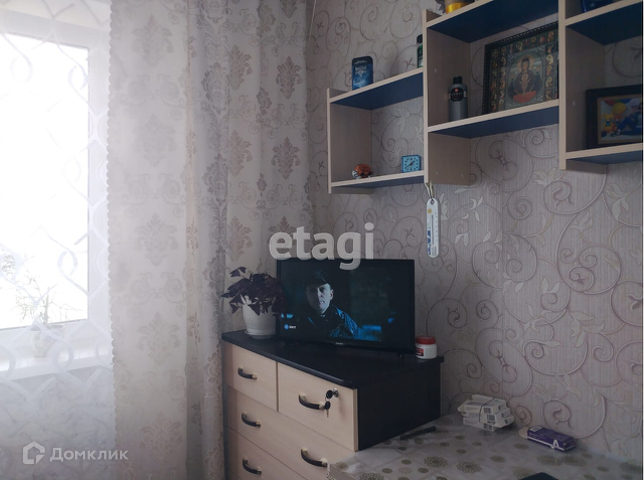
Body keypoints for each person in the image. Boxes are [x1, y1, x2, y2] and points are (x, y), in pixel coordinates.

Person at [291, 269, 358, 338]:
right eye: (313, 290)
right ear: (306, 296)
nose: (318, 295)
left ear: (331, 294)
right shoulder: (297, 321)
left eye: (322, 289)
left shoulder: (345, 322)